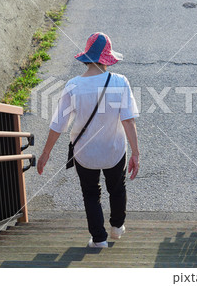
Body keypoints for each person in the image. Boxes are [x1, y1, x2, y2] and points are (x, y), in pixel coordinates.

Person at [37, 32, 140, 248]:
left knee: (91, 194)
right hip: (114, 149)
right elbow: (128, 121)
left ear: (87, 57)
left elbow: (58, 124)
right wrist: (136, 154)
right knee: (117, 188)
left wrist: (45, 153)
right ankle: (117, 227)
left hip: (84, 152)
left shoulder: (73, 85)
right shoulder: (120, 82)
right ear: (106, 59)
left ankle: (98, 238)